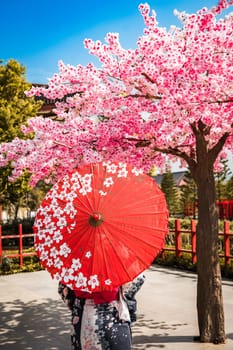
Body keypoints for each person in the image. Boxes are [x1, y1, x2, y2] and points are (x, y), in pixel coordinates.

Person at [58, 273, 145, 350]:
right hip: (113, 317)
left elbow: (64, 291)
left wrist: (76, 305)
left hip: (82, 318)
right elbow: (139, 279)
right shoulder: (119, 257)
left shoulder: (75, 259)